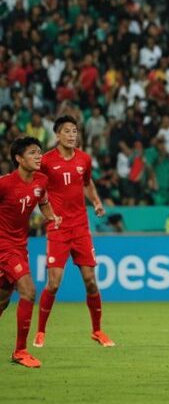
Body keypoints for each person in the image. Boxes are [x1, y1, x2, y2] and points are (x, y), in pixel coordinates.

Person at [35, 116, 114, 348]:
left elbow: (87, 183)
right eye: (67, 131)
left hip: (80, 227)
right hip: (58, 227)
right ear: (57, 135)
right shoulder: (46, 161)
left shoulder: (84, 159)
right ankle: (40, 331)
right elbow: (38, 187)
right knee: (54, 282)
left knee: (90, 281)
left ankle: (97, 330)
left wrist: (97, 203)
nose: (72, 135)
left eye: (74, 131)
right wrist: (47, 212)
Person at [0, 137, 61, 368]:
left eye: (40, 152)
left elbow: (43, 201)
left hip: (20, 247)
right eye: (33, 153)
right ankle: (20, 351)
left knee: (3, 300)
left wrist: (51, 216)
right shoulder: (4, 184)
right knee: (28, 290)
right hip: (4, 248)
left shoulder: (41, 181)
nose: (39, 157)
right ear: (18, 158)